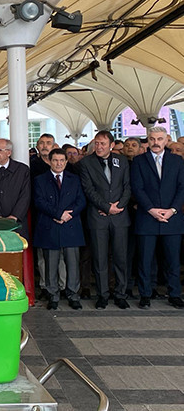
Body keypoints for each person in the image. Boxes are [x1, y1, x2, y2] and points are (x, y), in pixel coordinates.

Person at [131, 127, 184, 309]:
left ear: (166, 140)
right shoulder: (139, 161)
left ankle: (174, 294)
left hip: (172, 218)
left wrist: (173, 210)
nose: (156, 142)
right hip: (147, 217)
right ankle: (145, 294)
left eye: (160, 139)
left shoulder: (177, 161)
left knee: (173, 260)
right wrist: (151, 209)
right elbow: (137, 188)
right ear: (148, 140)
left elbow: (182, 187)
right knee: (145, 260)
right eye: (152, 139)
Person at [78, 130, 131, 309]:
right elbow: (88, 189)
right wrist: (107, 207)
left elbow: (127, 187)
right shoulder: (86, 163)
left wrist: (118, 206)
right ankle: (102, 295)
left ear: (112, 145)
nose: (99, 147)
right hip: (98, 217)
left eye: (103, 144)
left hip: (120, 217)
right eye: (97, 143)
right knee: (100, 258)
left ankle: (120, 294)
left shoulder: (122, 161)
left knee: (120, 257)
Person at [33, 149, 86, 310]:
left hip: (70, 225)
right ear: (49, 161)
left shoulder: (74, 179)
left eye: (62, 160)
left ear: (66, 162)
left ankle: (73, 295)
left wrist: (68, 215)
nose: (59, 163)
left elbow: (81, 201)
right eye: (55, 160)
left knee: (73, 263)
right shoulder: (40, 180)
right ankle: (53, 295)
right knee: (51, 264)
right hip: (50, 225)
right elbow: (39, 201)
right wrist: (58, 214)